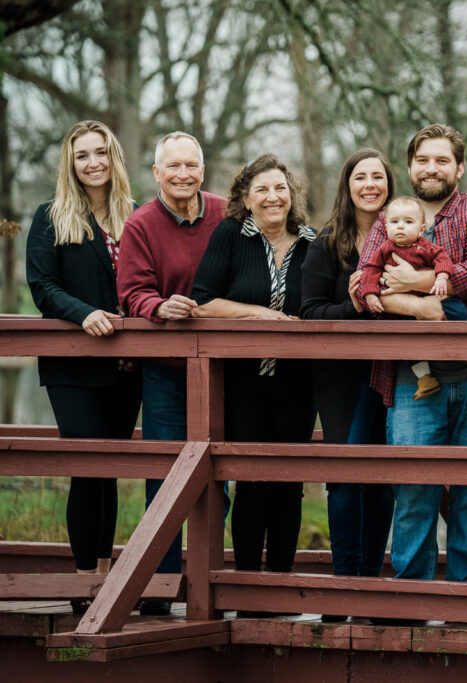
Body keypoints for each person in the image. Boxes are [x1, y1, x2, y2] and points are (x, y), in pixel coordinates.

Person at [355, 124, 467, 583]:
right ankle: (411, 594)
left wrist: (416, 282)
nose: (432, 168)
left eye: (442, 160)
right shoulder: (391, 216)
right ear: (409, 167)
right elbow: (370, 283)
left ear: (459, 167)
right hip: (411, 376)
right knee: (414, 487)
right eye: (423, 160)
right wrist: (428, 307)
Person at [26, 121, 143, 613]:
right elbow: (42, 286)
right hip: (74, 365)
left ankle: (104, 578)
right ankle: (82, 586)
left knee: (110, 471)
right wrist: (83, 314)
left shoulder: (135, 216)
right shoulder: (51, 216)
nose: (92, 162)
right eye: (82, 156)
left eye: (100, 153)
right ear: (70, 165)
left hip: (128, 364)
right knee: (86, 470)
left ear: (113, 158)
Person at [190, 153, 317, 587]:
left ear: (291, 193)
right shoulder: (230, 236)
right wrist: (260, 315)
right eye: (261, 189)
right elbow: (204, 299)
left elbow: (317, 308)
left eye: (279, 187)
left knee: (288, 483)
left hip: (297, 384)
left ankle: (279, 581)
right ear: (245, 197)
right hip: (243, 382)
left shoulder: (311, 242)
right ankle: (246, 582)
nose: (272, 196)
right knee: (248, 479)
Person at [117, 131, 226, 614]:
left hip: (223, 369)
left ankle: (212, 587)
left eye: (191, 166)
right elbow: (131, 292)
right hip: (166, 369)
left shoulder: (226, 214)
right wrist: (161, 306)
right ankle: (158, 589)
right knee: (164, 478)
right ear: (157, 172)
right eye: (173, 166)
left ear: (203, 171)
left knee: (221, 477)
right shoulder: (140, 224)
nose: (183, 174)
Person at [300, 149, 395, 620]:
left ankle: (371, 587)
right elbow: (310, 311)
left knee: (383, 482)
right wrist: (353, 308)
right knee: (344, 478)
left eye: (378, 176)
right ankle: (344, 588)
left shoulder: (405, 237)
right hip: (340, 376)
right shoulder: (327, 242)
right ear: (348, 185)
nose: (370, 184)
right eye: (361, 176)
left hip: (393, 373)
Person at [360, 195, 467, 400]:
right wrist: (370, 294)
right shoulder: (385, 249)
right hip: (403, 308)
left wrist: (441, 278)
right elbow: (371, 270)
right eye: (394, 222)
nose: (400, 227)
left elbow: (442, 258)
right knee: (405, 338)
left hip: (433, 297)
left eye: (408, 222)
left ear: (421, 229)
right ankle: (425, 378)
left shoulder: (425, 246)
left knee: (456, 306)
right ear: (386, 226)